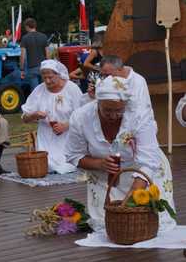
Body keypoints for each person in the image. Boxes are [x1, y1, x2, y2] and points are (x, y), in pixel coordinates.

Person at [65, 76, 176, 232]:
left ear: (126, 104)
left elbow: (148, 161)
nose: (113, 115)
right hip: (104, 178)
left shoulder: (140, 115)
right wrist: (100, 164)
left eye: (119, 110)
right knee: (107, 227)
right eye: (107, 110)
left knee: (152, 225)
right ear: (97, 102)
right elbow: (73, 155)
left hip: (145, 172)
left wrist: (132, 199)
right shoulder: (81, 117)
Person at [21, 60, 82, 174]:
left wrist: (66, 125)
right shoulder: (39, 90)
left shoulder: (71, 89)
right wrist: (34, 115)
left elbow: (82, 116)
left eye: (50, 77)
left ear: (59, 74)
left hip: (69, 135)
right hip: (46, 136)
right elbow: (24, 118)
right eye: (44, 78)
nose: (47, 81)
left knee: (68, 163)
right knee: (47, 165)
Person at [20, 18, 49, 91]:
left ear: (27, 26)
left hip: (32, 68)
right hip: (43, 67)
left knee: (35, 92)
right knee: (45, 90)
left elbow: (22, 56)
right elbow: (47, 54)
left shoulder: (25, 38)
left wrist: (22, 69)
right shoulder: (44, 36)